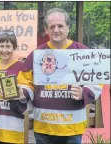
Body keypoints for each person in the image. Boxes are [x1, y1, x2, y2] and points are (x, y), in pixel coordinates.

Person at [17, 8, 103, 144]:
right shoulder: (36, 54)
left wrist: (83, 92)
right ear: (46, 30)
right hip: (44, 127)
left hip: (72, 128)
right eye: (52, 27)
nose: (56, 30)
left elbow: (98, 81)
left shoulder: (82, 51)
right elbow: (24, 81)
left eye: (60, 26)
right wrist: (23, 92)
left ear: (68, 27)